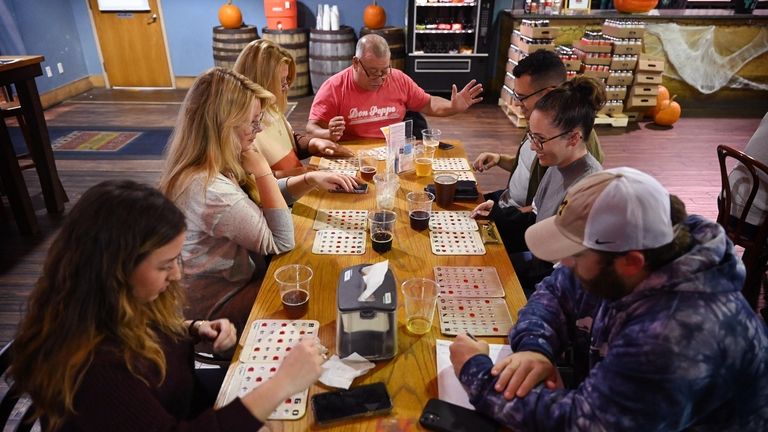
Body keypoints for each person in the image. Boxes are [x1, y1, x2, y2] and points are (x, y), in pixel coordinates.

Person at [450, 167, 768, 431]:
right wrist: (536, 349)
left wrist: (475, 372)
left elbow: (585, 423)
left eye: (574, 255)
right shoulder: (640, 253)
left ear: (631, 262)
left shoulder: (676, 336)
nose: (566, 265)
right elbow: (555, 291)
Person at [10, 180, 325, 430]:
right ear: (115, 269)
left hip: (184, 404)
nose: (176, 275)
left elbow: (147, 339)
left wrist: (192, 328)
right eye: (164, 265)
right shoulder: (91, 366)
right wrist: (280, 384)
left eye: (177, 260)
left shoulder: (115, 305)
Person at [159, 67, 356, 331]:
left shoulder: (213, 162)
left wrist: (310, 179)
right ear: (223, 124)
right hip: (217, 304)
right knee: (323, 292)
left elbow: (263, 198)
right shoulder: (210, 189)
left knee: (324, 274)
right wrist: (262, 168)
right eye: (253, 121)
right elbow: (282, 241)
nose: (259, 128)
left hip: (234, 281)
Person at [471, 50, 604, 252]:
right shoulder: (546, 132)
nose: (516, 102)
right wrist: (499, 160)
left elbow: (556, 258)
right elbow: (536, 214)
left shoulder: (580, 173)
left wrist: (504, 218)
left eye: (522, 97)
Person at [306, 34, 484, 141]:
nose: (380, 78)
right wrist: (328, 134)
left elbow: (428, 104)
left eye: (385, 70)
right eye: (373, 72)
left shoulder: (398, 78)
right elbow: (311, 128)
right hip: (354, 154)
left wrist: (453, 107)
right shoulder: (334, 87)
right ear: (355, 63)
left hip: (394, 152)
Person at [233, 39, 354, 178]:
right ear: (261, 81)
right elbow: (249, 180)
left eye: (287, 80)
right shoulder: (241, 128)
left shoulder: (270, 107)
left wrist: (314, 143)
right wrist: (300, 174)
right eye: (281, 81)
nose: (286, 87)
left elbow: (287, 141)